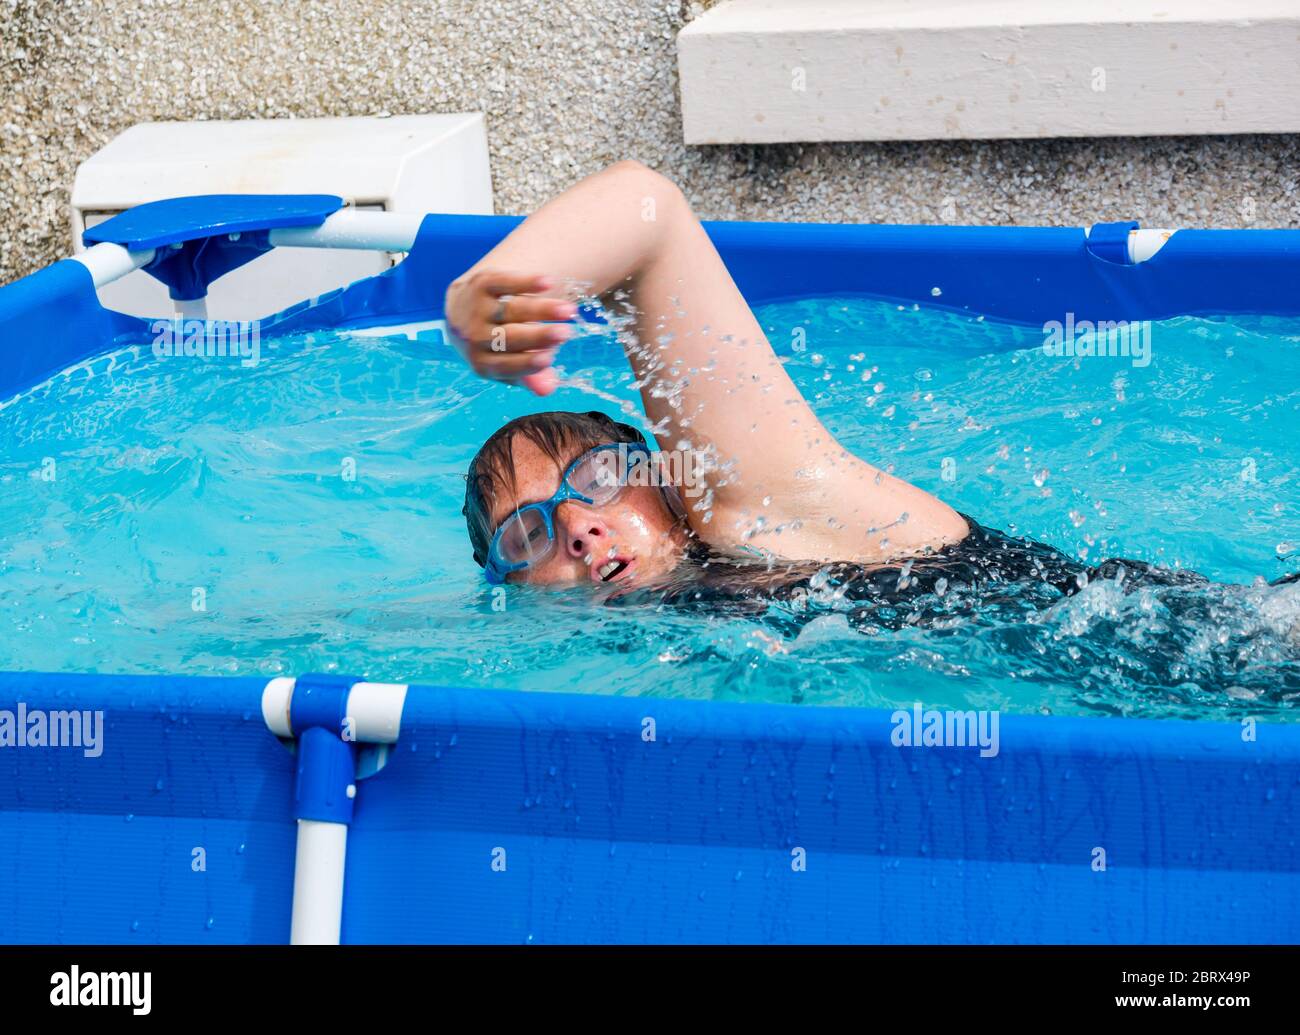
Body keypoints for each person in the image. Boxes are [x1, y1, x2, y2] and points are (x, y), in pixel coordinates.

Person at [443, 160, 1297, 627]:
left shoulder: (757, 512)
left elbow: (648, 211)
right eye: (529, 533)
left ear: (666, 474)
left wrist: (486, 289)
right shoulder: (674, 621)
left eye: (597, 479)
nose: (580, 528)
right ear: (510, 589)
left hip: (1249, 647)